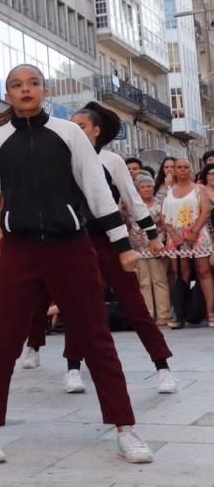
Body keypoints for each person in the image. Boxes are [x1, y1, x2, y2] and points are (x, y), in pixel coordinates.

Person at [0, 64, 152, 464]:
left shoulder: (69, 133)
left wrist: (122, 243)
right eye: (17, 85)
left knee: (95, 338)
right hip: (19, 251)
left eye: (32, 83)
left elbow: (96, 189)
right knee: (0, 341)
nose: (25, 90)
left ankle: (125, 427)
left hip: (71, 247)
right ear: (9, 95)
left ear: (44, 90)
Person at [55, 103, 174, 395]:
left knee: (134, 303)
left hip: (112, 240)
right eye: (72, 126)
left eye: (81, 126)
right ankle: (72, 369)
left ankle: (163, 368)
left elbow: (133, 201)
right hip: (75, 241)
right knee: (76, 305)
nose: (75, 131)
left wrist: (152, 235)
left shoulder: (111, 161)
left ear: (96, 130)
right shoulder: (60, 160)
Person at [162, 158, 214, 327]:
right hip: (175, 235)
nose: (183, 169)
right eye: (179, 167)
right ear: (174, 171)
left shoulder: (199, 189)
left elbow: (205, 211)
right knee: (180, 274)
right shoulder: (169, 190)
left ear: (190, 169)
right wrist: (173, 234)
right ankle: (179, 314)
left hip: (198, 233)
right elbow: (163, 216)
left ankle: (211, 312)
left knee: (204, 272)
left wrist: (194, 231)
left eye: (186, 167)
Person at [130, 175, 170, 325]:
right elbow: (127, 223)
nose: (146, 189)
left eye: (149, 186)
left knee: (160, 280)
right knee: (144, 282)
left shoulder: (161, 203)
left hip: (157, 247)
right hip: (138, 248)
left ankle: (164, 315)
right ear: (137, 190)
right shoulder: (131, 205)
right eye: (142, 187)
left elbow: (166, 224)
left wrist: (166, 243)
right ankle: (148, 315)